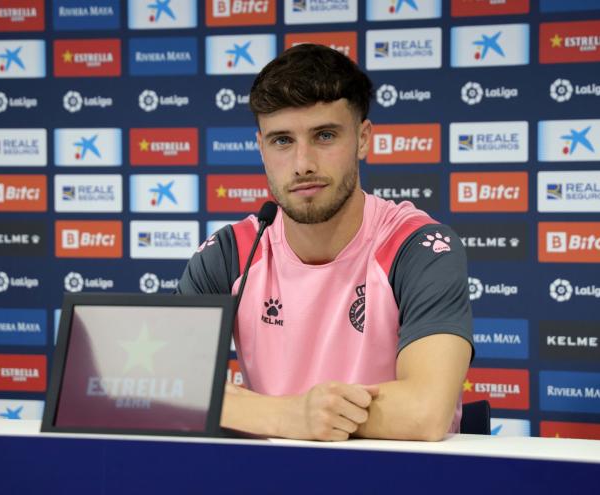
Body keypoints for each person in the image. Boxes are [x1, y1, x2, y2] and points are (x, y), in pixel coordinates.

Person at [177, 44, 473, 441]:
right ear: (261, 148)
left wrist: (268, 413)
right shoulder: (231, 253)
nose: (303, 164)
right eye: (282, 141)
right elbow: (170, 394)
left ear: (363, 139)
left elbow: (424, 412)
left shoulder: (417, 246)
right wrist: (289, 416)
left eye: (325, 135)